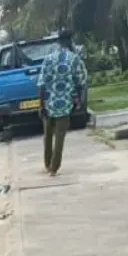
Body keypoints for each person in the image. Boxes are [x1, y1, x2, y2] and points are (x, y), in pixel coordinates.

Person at [36, 29, 88, 176]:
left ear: (58, 41)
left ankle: (47, 164)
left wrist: (41, 105)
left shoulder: (48, 59)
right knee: (60, 136)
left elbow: (41, 84)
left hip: (48, 103)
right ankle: (54, 167)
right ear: (70, 41)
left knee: (47, 136)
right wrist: (78, 99)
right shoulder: (74, 59)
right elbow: (80, 81)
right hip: (65, 104)